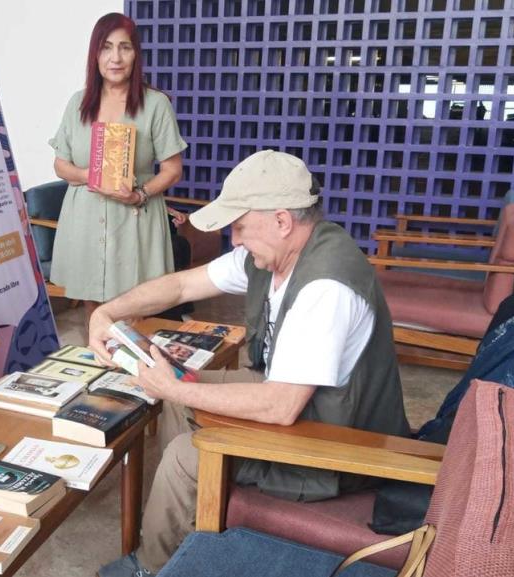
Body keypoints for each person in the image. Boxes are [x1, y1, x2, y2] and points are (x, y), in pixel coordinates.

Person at [92, 150, 411, 576]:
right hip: (303, 401)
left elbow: (280, 406)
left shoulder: (326, 287)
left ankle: (151, 567)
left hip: (338, 441)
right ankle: (189, 535)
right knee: (181, 382)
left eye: (240, 226)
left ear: (282, 221)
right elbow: (182, 284)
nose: (235, 239)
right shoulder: (277, 253)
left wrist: (174, 388)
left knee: (189, 451)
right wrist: (107, 312)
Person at [49, 12, 188, 327]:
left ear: (136, 53)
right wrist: (90, 176)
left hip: (135, 219)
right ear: (95, 54)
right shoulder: (78, 103)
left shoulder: (155, 105)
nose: (115, 57)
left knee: (133, 312)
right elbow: (60, 164)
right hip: (85, 218)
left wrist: (140, 194)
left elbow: (172, 169)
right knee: (95, 312)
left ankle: (134, 374)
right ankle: (100, 369)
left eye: (124, 47)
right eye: (106, 47)